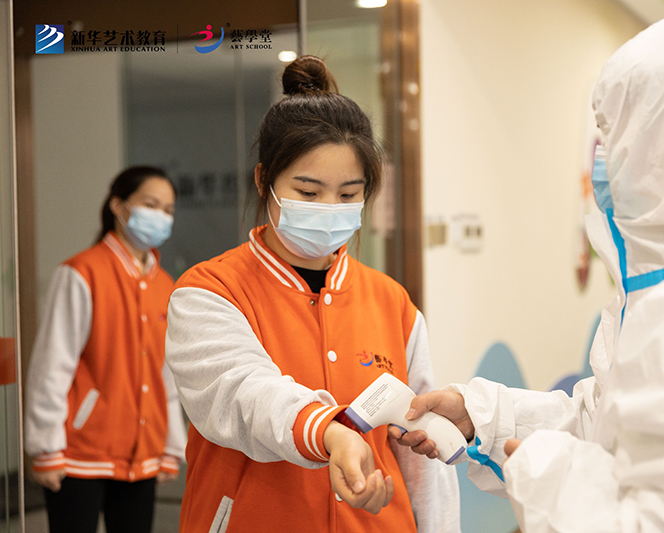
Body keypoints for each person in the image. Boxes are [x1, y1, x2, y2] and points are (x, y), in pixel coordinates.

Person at [391, 11, 664, 532]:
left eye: (612, 132)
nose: (601, 158)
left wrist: (548, 479)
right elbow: (614, 426)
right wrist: (482, 417)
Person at [164, 55, 460, 533]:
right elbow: (245, 395)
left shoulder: (392, 303)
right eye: (308, 192)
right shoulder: (209, 291)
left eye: (348, 195)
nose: (329, 208)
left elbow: (422, 451)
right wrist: (327, 431)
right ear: (264, 181)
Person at [24, 166, 187, 533]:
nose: (160, 216)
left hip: (142, 454)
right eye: (150, 204)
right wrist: (46, 447)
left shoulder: (165, 285)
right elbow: (52, 365)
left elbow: (166, 375)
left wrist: (170, 446)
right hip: (80, 453)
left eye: (168, 210)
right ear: (118, 206)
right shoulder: (81, 273)